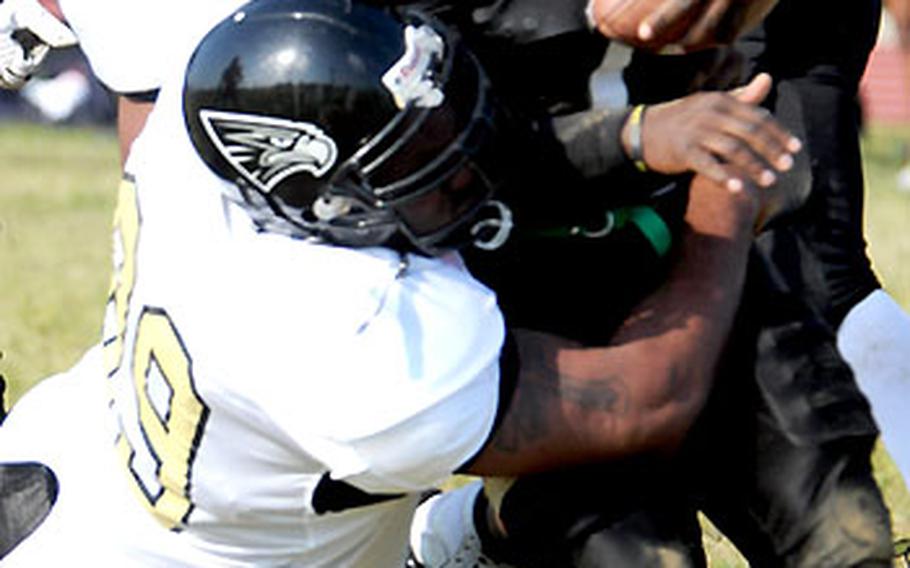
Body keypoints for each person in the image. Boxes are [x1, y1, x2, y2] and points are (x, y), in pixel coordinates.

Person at [0, 0, 776, 564]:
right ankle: (444, 547)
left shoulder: (198, 121)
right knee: (586, 490)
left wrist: (635, 133)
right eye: (410, 160)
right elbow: (646, 398)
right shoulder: (370, 347)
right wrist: (726, 205)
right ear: (324, 199)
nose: (454, 158)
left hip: (64, 463)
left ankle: (457, 533)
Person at [409, 1, 898, 567]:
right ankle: (472, 528)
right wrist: (630, 130)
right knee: (641, 556)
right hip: (523, 300)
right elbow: (418, 156)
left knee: (844, 538)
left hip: (682, 261)